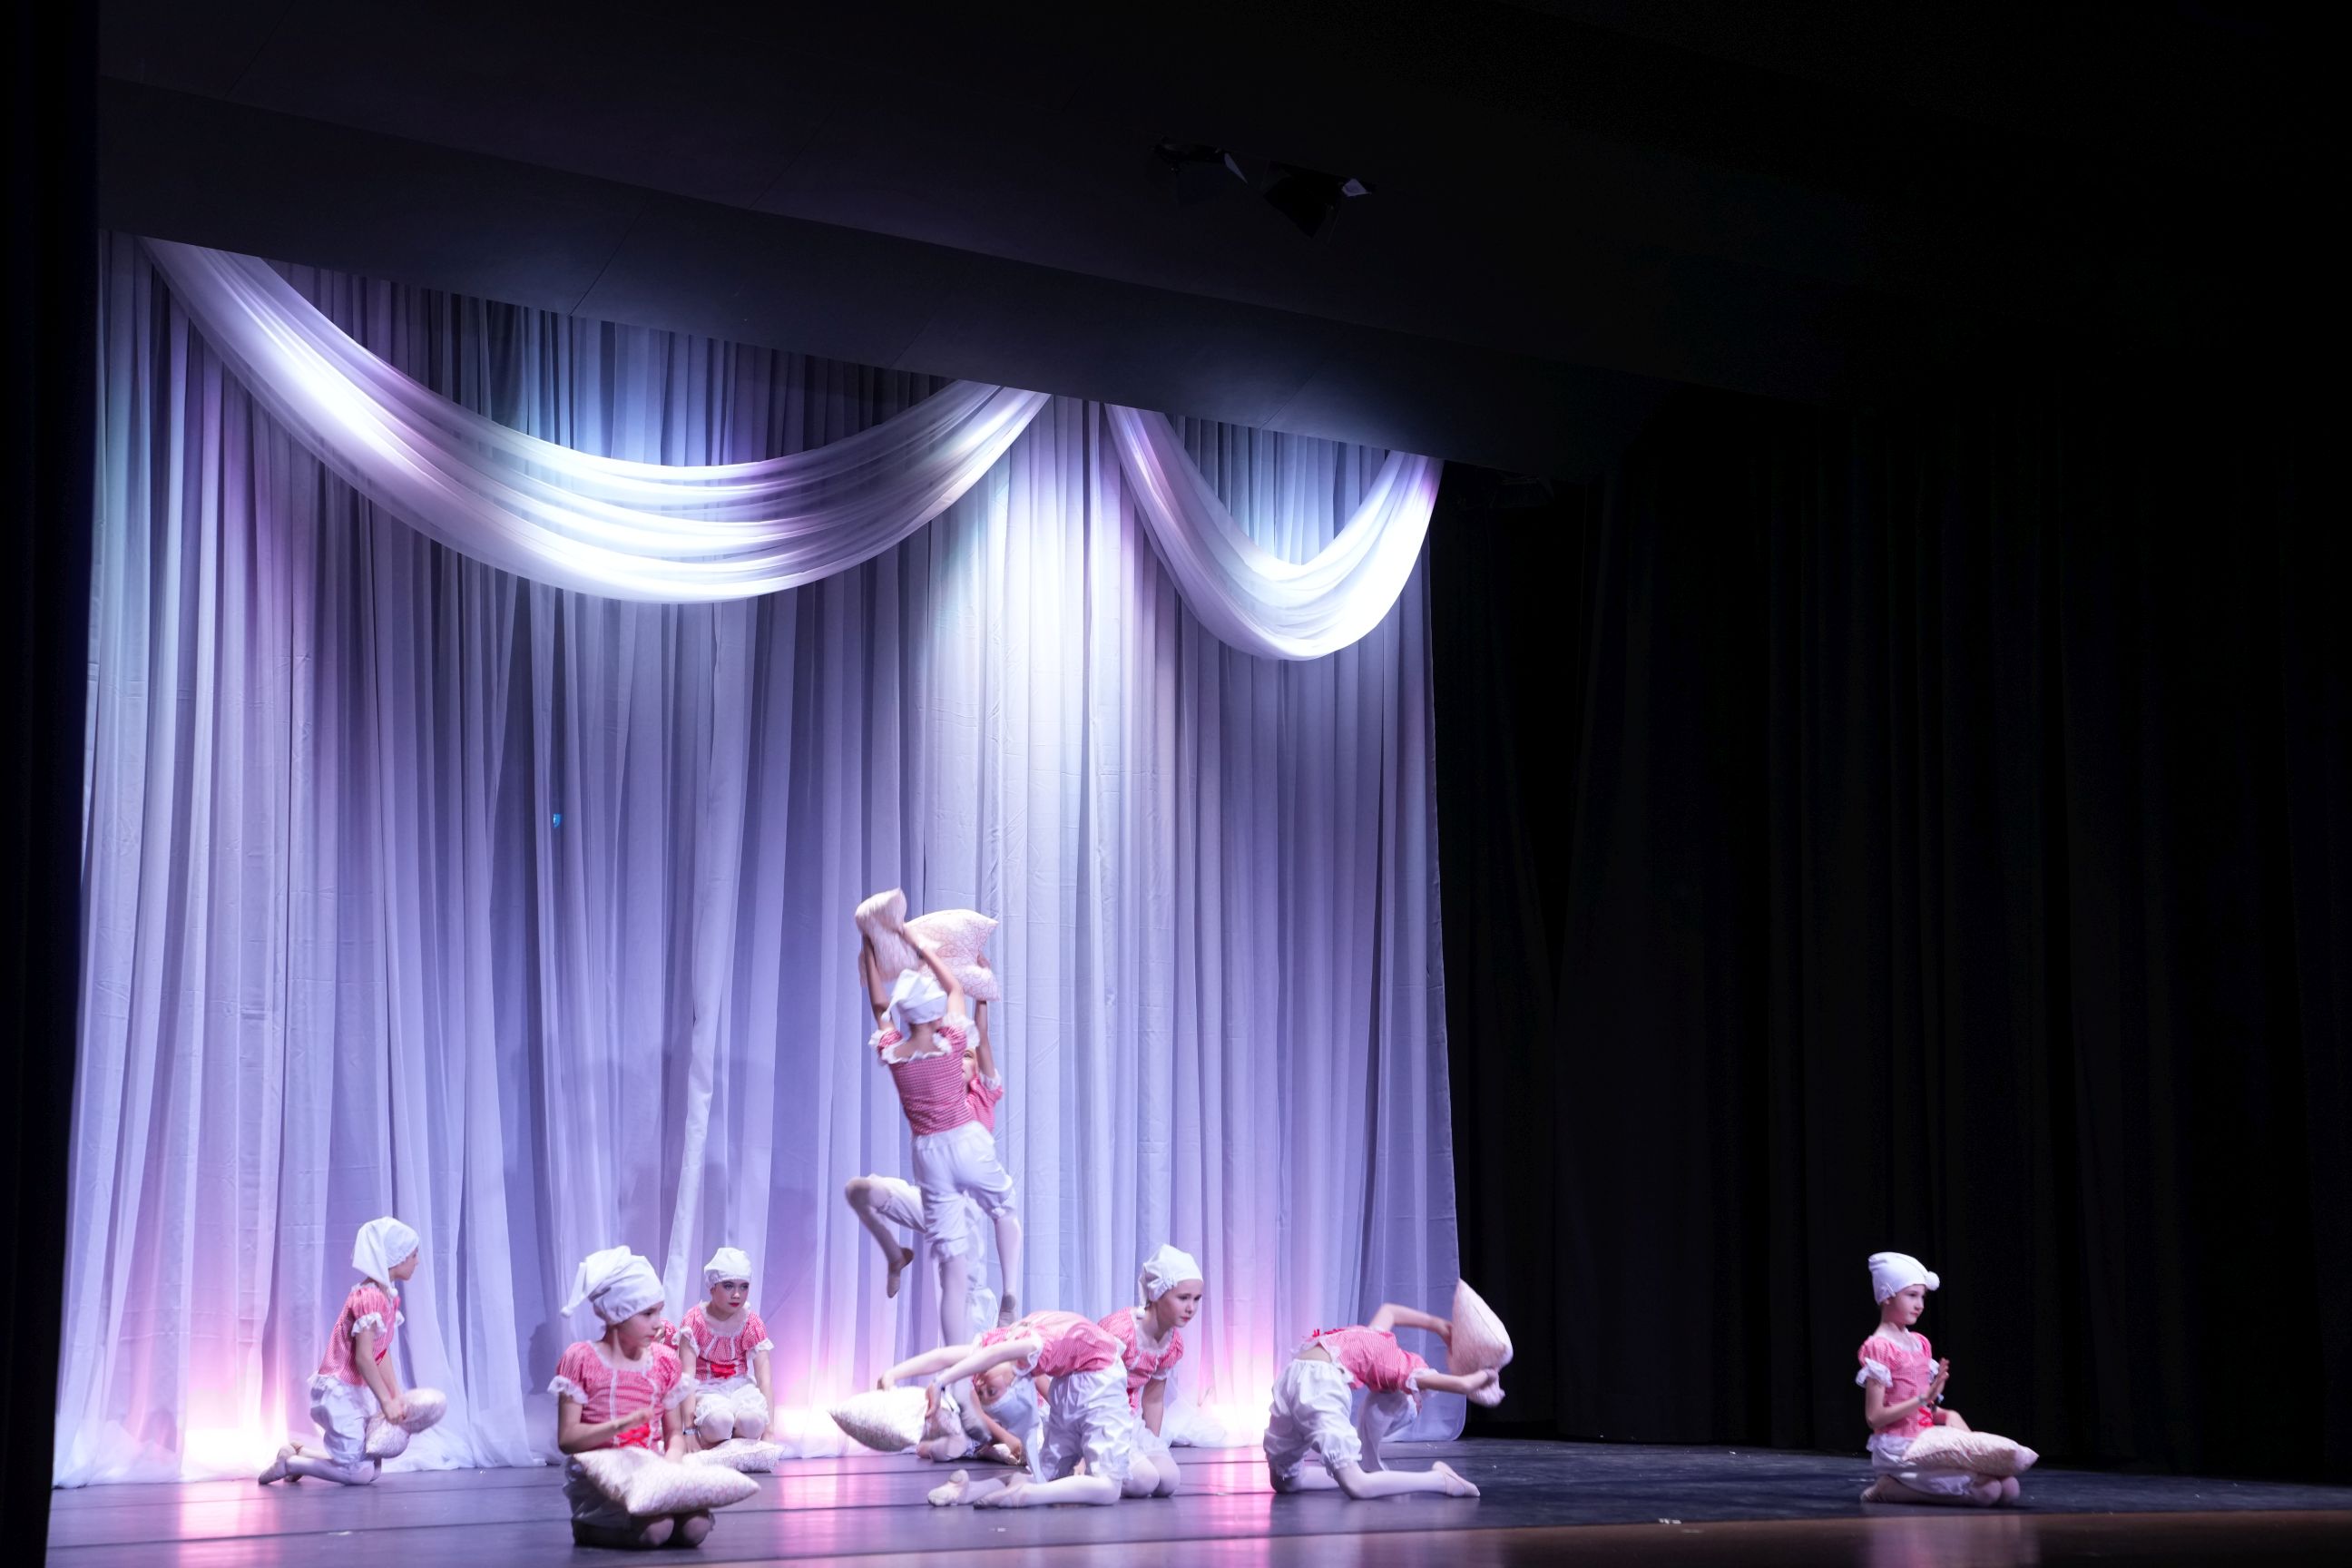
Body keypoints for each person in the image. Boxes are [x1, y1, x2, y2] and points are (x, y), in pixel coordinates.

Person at [259, 1218, 446, 1485]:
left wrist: (396, 1394)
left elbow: (380, 1353)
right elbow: (364, 1358)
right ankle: (290, 1464)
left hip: (356, 1389)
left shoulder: (386, 1297)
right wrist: (386, 1401)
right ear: (396, 1257)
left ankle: (301, 1453)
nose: (417, 1262)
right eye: (413, 1255)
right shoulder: (369, 1297)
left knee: (370, 1469)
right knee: (358, 1473)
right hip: (340, 1389)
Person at [1263, 1302, 1495, 1499]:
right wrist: (1489, 1373)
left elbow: (1390, 1311)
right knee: (1286, 1481)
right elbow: (1464, 1384)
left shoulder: (1378, 1337)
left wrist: (1437, 1325)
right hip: (1307, 1378)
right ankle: (1367, 1475)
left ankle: (1439, 1480)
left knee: (1353, 1485)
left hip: (1306, 1378)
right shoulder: (1400, 1366)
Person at [1856, 1251, 2021, 1506]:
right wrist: (1923, 1398)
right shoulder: (1879, 1347)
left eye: (1922, 1297)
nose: (1920, 1304)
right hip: (1899, 1447)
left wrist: (1943, 1414)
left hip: (1927, 1441)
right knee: (1986, 1492)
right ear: (1887, 1296)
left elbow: (1924, 1408)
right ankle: (1889, 1489)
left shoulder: (1920, 1343)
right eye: (1911, 1295)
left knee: (2009, 1489)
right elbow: (1874, 1417)